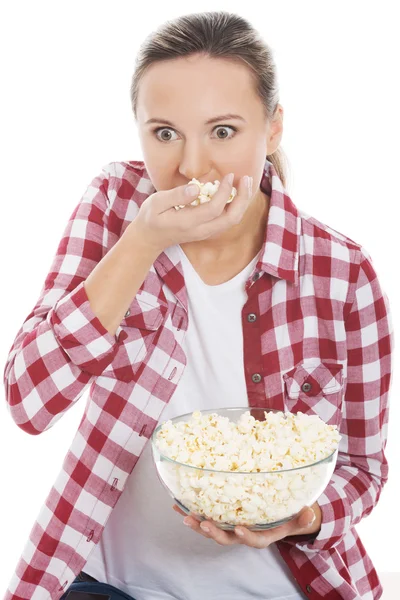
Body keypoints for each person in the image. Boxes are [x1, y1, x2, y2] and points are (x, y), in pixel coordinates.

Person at [3, 10, 393, 600]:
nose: (191, 168)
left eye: (223, 131)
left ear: (274, 129)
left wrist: (301, 519)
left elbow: (363, 471)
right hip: (112, 587)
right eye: (164, 133)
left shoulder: (343, 274)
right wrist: (142, 242)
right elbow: (28, 401)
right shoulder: (116, 206)